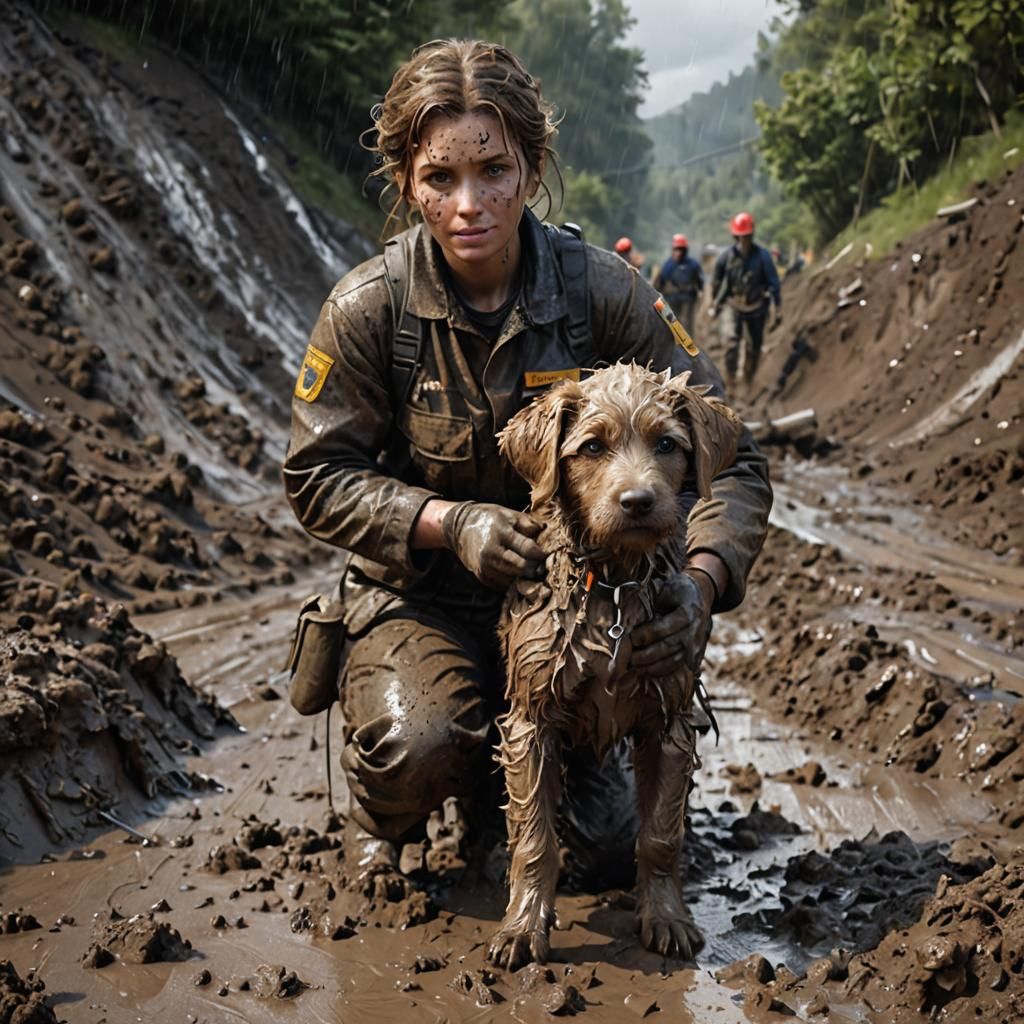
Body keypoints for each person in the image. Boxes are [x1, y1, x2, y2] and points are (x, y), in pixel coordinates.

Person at [283, 39, 772, 878]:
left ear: (532, 166)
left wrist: (698, 587)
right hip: (424, 603)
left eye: (494, 172)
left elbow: (733, 459)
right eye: (440, 179)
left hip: (583, 614)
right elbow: (316, 476)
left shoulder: (605, 293)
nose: (470, 204)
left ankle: (518, 783)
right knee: (421, 741)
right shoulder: (369, 309)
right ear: (407, 181)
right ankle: (388, 807)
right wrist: (448, 521)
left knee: (610, 854)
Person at [710, 212, 781, 386]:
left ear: (752, 235)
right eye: (741, 237)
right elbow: (717, 282)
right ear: (736, 237)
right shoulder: (726, 257)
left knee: (754, 347)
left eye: (747, 237)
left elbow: (774, 283)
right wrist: (715, 303)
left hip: (756, 307)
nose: (744, 241)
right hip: (733, 305)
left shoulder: (763, 257)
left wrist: (777, 307)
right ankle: (730, 379)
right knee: (731, 343)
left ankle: (748, 380)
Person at [652, 232, 704, 333]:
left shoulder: (693, 265)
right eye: (676, 249)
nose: (678, 252)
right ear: (673, 250)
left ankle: (687, 347)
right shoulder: (668, 266)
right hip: (672, 299)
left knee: (686, 324)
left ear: (685, 251)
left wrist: (700, 291)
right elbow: (659, 284)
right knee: (673, 324)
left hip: (688, 299)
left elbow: (699, 281)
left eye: (681, 249)